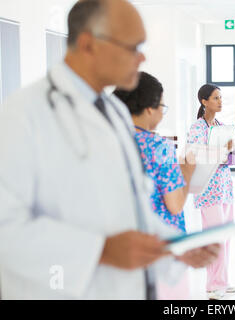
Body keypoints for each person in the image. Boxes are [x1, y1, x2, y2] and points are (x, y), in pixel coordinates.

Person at [0, 0, 219, 299]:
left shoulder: (114, 111)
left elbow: (133, 207)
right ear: (89, 44)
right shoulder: (23, 114)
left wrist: (176, 246)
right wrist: (100, 250)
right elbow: (6, 228)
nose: (142, 57)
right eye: (133, 47)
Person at [113, 71, 195, 299]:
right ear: (150, 108)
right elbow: (175, 205)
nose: (162, 113)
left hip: (120, 245)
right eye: (162, 107)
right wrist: (187, 172)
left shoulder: (107, 140)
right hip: (160, 248)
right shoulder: (158, 146)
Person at [186, 84, 235, 300]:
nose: (220, 101)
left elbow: (232, 157)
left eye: (221, 97)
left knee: (225, 237)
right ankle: (214, 285)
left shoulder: (222, 126)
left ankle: (222, 281)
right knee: (215, 237)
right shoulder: (198, 128)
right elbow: (193, 155)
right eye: (215, 98)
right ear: (204, 101)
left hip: (225, 188)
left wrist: (228, 154)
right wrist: (221, 154)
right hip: (208, 189)